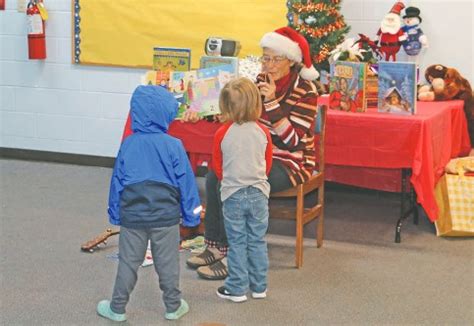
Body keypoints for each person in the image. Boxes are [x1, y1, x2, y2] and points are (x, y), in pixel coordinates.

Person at [186, 26, 319, 280]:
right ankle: (215, 245)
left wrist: (270, 102)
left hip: (290, 161)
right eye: (264, 58)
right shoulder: (257, 82)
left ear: (290, 61)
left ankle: (236, 257)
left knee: (237, 181)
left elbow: (291, 141)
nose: (267, 65)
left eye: (274, 59)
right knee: (215, 174)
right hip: (253, 152)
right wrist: (200, 110)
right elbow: (235, 113)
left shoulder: (307, 91)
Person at [97, 85, 202, 322]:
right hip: (165, 217)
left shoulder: (128, 144)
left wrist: (115, 213)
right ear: (166, 114)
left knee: (128, 262)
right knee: (167, 263)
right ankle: (173, 307)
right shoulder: (174, 144)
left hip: (133, 216)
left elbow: (118, 182)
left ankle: (117, 308)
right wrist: (192, 216)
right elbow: (186, 184)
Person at [212, 77, 273, 302]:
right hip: (258, 193)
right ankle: (259, 287)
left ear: (226, 107)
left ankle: (237, 288)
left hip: (233, 194)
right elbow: (267, 163)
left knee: (237, 242)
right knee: (257, 240)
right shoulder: (262, 131)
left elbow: (218, 167)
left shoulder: (222, 133)